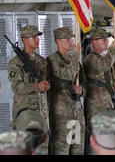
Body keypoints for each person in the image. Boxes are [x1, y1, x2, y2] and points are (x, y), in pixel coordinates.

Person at [7, 25, 50, 155]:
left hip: (41, 113)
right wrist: (36, 87)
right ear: (25, 40)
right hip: (25, 114)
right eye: (33, 37)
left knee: (42, 149)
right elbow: (17, 88)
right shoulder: (16, 63)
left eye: (38, 37)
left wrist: (46, 86)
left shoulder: (41, 61)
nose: (37, 40)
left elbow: (46, 83)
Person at [83, 26, 115, 155]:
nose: (107, 41)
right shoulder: (90, 59)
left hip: (109, 105)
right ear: (94, 41)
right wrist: (113, 49)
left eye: (107, 39)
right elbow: (104, 67)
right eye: (104, 39)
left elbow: (108, 82)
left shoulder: (104, 58)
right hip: (97, 107)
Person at [47, 27, 85, 155]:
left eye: (72, 38)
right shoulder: (52, 60)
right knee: (61, 149)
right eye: (67, 39)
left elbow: (84, 82)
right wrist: (75, 55)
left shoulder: (75, 61)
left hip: (76, 111)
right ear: (58, 41)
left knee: (77, 148)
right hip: (61, 113)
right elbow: (67, 74)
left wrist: (81, 90)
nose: (71, 41)